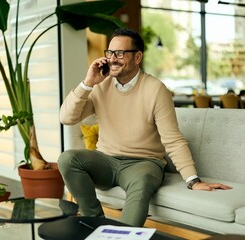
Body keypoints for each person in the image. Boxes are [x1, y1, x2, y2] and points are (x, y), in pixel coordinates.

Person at [58, 28, 232, 227]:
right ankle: (95, 224)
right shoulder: (100, 86)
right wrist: (88, 83)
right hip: (106, 160)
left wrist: (193, 181)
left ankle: (124, 237)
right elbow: (66, 118)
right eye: (110, 53)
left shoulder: (156, 90)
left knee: (141, 183)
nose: (113, 59)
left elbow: (172, 138)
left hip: (144, 163)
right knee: (67, 159)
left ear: (137, 57)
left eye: (120, 53)